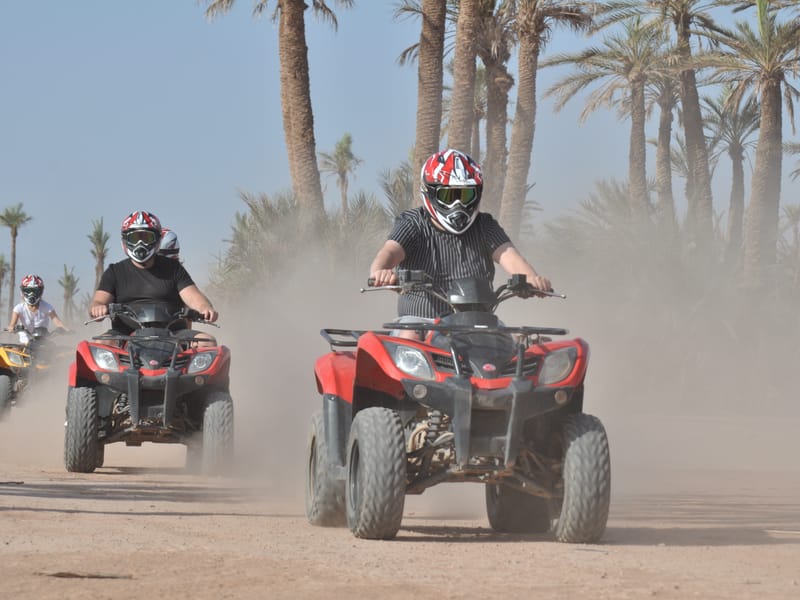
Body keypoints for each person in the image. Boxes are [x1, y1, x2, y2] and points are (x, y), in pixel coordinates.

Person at [369, 149, 552, 339]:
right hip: (420, 323)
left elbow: (511, 257)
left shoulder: (484, 225)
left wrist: (532, 279)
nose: (458, 204)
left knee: (508, 343)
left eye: (465, 195)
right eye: (448, 196)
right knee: (409, 336)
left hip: (477, 324)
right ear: (429, 193)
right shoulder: (413, 224)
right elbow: (389, 252)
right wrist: (380, 272)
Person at [89, 211, 218, 337]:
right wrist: (97, 308)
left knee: (207, 341)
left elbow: (193, 296)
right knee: (99, 344)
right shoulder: (114, 272)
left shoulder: (174, 269)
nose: (140, 243)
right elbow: (98, 301)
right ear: (125, 240)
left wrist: (204, 307)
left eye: (146, 238)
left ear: (157, 240)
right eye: (134, 238)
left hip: (174, 336)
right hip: (124, 336)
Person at [6, 274, 69, 345]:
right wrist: (11, 327)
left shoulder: (47, 307)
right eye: (28, 290)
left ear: (41, 291)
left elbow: (58, 323)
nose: (31, 294)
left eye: (35, 290)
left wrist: (68, 330)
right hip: (24, 345)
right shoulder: (18, 308)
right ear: (23, 291)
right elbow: (12, 324)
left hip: (43, 343)